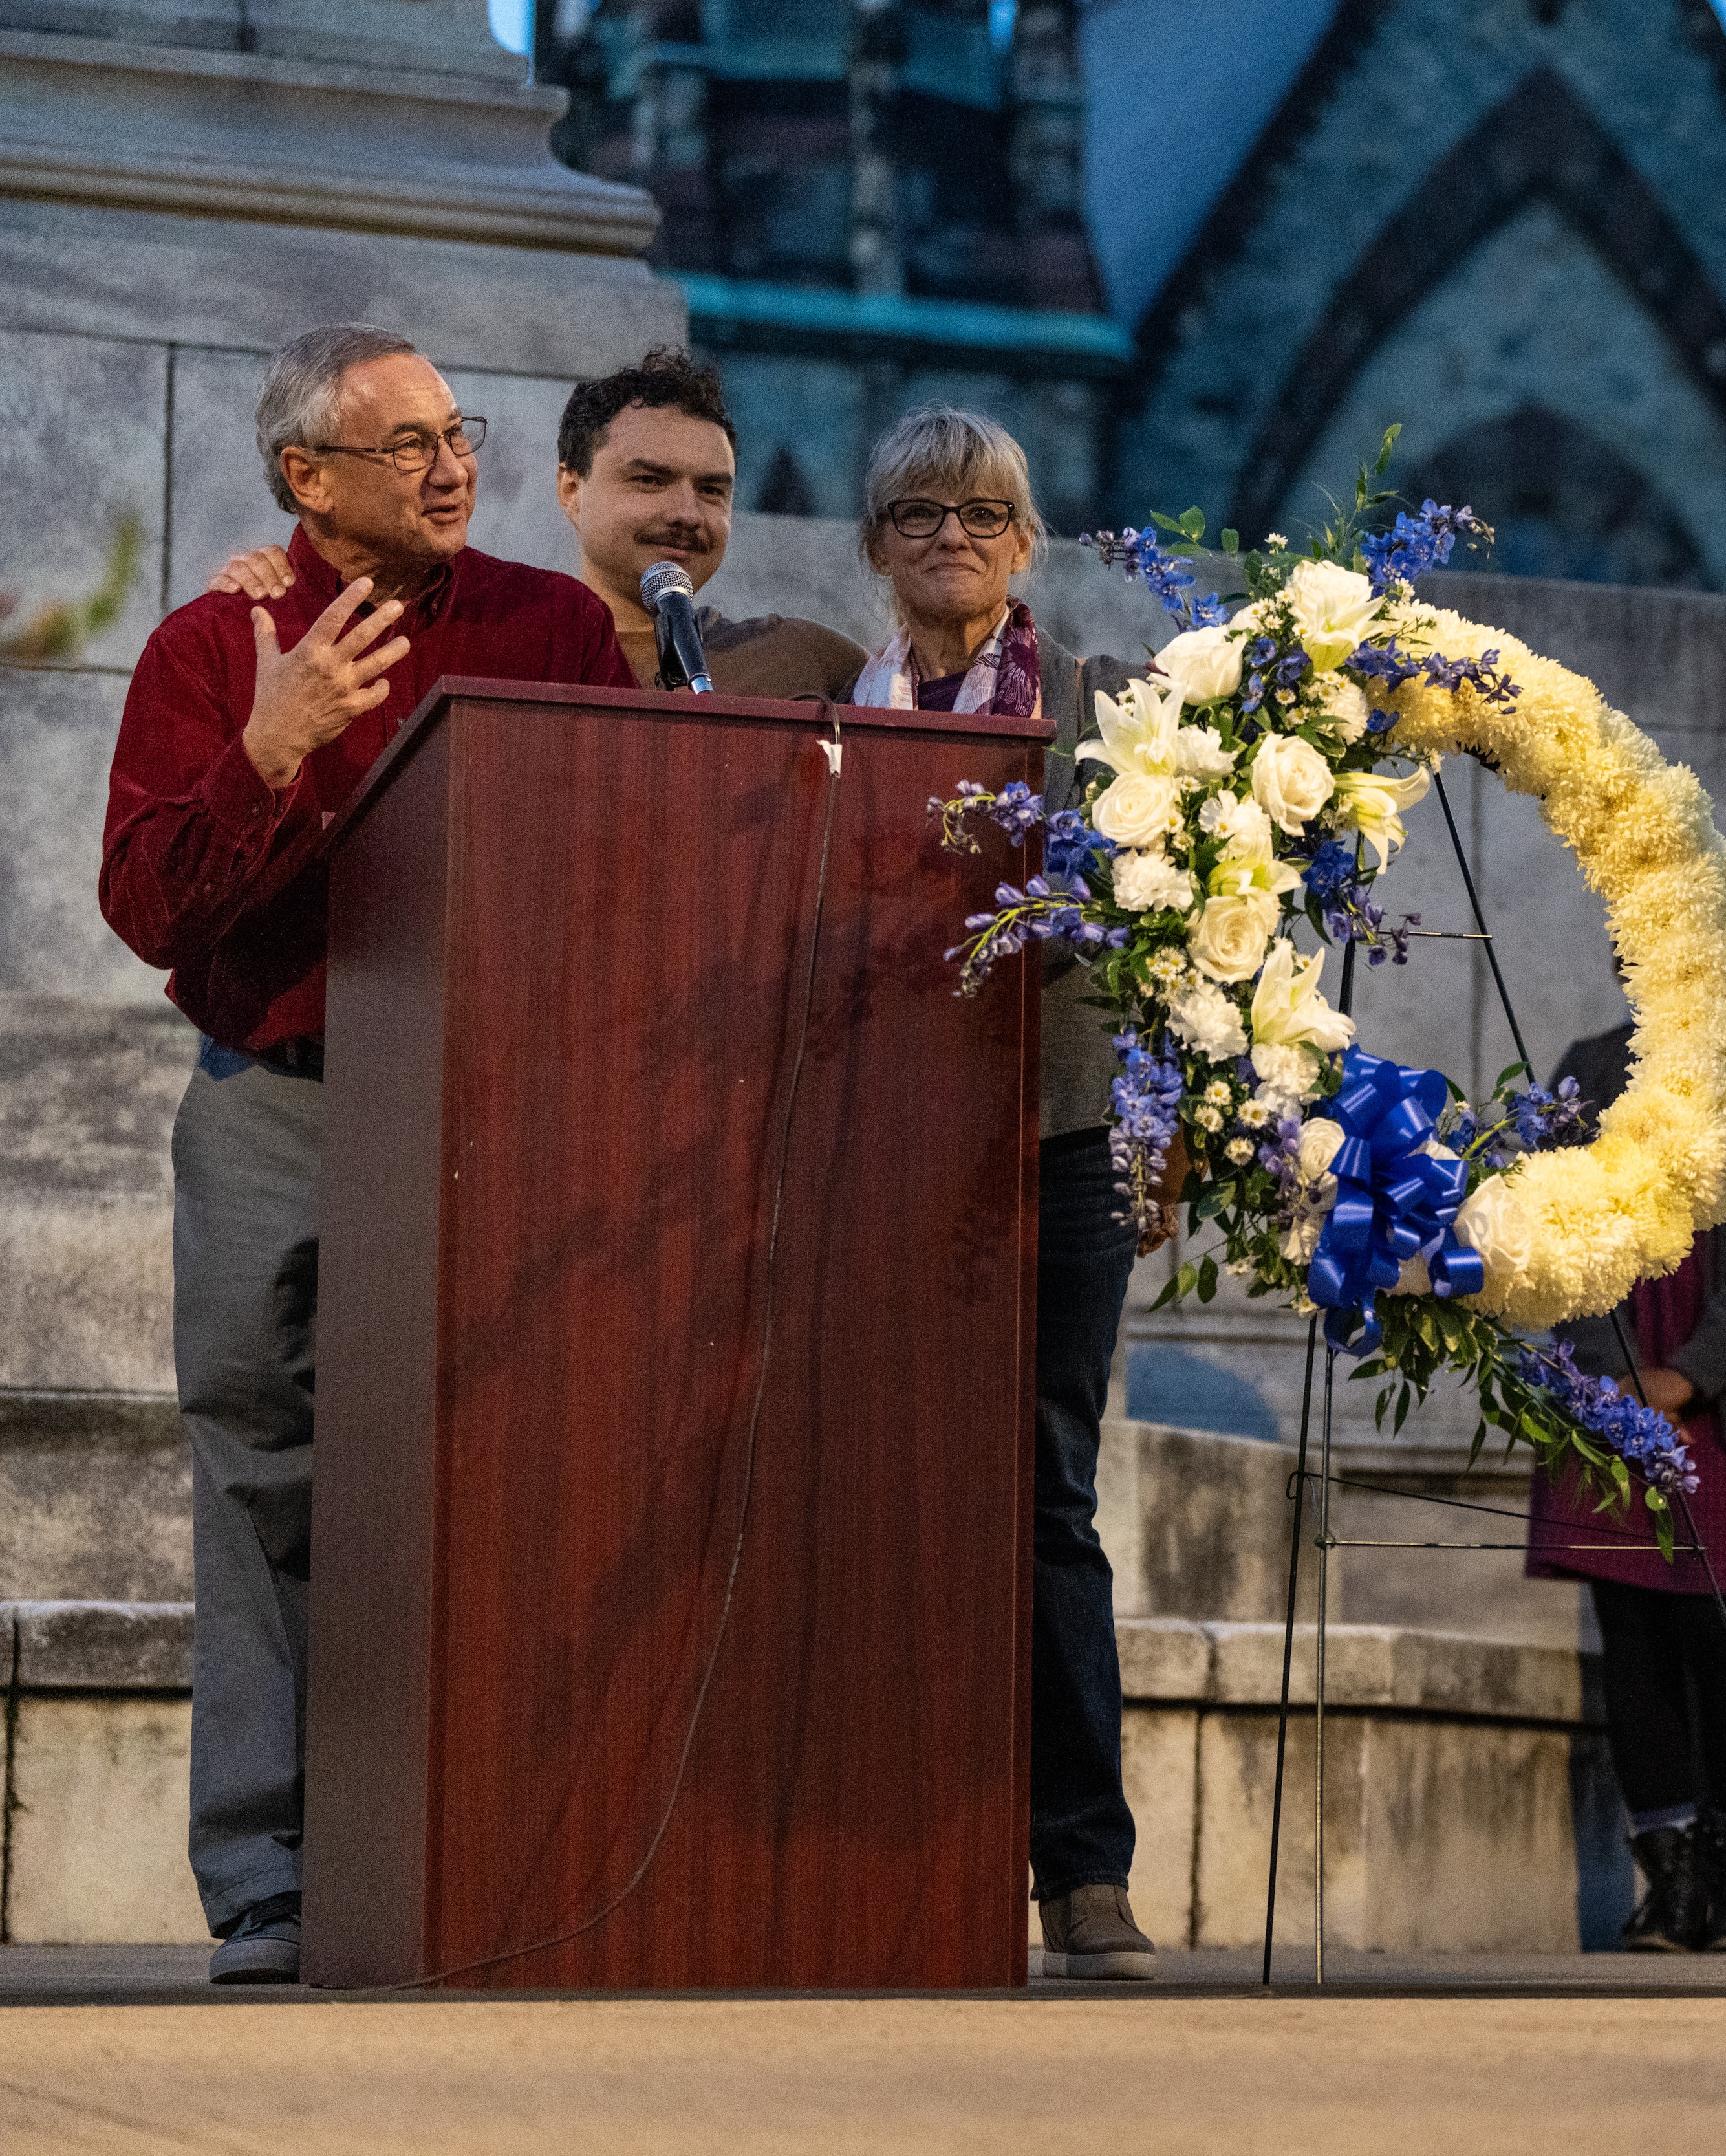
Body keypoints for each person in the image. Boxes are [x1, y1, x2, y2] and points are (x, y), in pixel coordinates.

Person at [100, 323, 635, 1984]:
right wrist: (268, 747)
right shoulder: (219, 642)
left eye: (457, 431)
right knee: (260, 1460)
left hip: (491, 1104)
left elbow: (625, 851)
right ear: (304, 478)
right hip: (283, 1094)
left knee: (485, 1462)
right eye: (405, 443)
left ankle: (484, 1850)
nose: (452, 462)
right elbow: (146, 907)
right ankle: (269, 1877)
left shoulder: (551, 625)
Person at [846, 406, 1154, 1979]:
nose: (950, 537)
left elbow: (1190, 934)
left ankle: (1080, 1871)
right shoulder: (832, 711)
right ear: (874, 544)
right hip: (877, 1153)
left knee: (1045, 1496)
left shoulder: (1112, 719)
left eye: (980, 514)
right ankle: (878, 1853)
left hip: (1061, 1145)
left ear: (1027, 542)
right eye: (916, 514)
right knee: (877, 1485)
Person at [1537, 887, 1726, 1953]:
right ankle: (1665, 1877)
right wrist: (1611, 1374)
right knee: (1634, 1634)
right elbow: (1557, 1219)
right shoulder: (1586, 1064)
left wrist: (1693, 1371)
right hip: (1610, 1387)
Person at [206, 347, 868, 703]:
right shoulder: (514, 642)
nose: (686, 512)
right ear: (569, 488)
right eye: (649, 479)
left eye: (713, 490)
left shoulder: (807, 662)